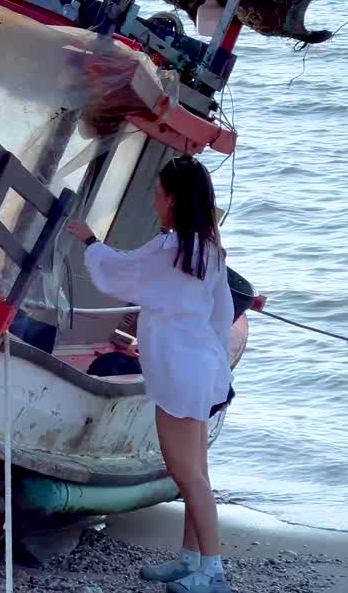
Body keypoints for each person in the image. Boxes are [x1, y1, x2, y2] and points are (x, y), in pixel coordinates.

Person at [66, 155, 235, 593]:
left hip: (178, 373)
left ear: (173, 199)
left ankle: (212, 572)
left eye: (158, 194)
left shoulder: (169, 250)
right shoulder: (210, 251)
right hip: (199, 366)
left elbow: (118, 274)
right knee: (197, 470)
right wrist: (215, 366)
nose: (155, 202)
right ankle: (191, 560)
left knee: (188, 474)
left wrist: (89, 242)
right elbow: (222, 316)